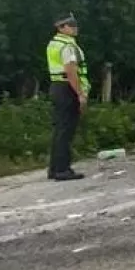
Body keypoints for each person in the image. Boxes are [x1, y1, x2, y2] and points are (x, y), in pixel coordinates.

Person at [46, 12, 89, 180]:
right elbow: (71, 70)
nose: (75, 28)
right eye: (71, 25)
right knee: (66, 130)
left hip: (57, 86)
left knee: (60, 130)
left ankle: (55, 168)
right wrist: (80, 94)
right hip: (67, 87)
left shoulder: (54, 43)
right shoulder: (67, 46)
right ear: (61, 28)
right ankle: (63, 170)